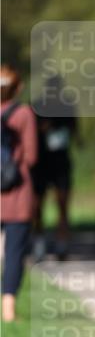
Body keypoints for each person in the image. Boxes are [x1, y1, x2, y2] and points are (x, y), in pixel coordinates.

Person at [1, 64, 38, 322]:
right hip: (17, 192)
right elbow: (32, 155)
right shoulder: (24, 113)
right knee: (14, 252)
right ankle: (8, 310)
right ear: (17, 87)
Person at [31, 75, 78, 262]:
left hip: (61, 162)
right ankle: (39, 243)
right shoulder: (37, 105)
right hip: (41, 162)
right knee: (37, 206)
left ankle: (62, 244)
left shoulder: (67, 105)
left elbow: (74, 129)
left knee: (63, 205)